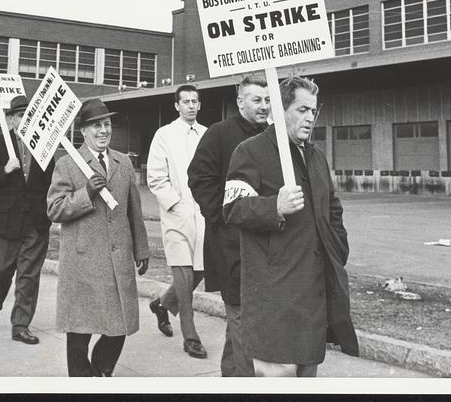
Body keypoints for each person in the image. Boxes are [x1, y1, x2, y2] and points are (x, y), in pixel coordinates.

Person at [222, 76, 358, 376]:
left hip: (312, 297)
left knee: (307, 374)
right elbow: (233, 208)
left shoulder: (316, 156)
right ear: (281, 111)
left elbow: (333, 210)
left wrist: (338, 249)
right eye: (302, 110)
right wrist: (274, 206)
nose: (310, 118)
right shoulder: (250, 151)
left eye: (314, 111)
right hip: (275, 297)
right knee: (276, 376)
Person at [47, 98, 150, 377]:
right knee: (79, 331)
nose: (103, 130)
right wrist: (86, 194)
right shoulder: (68, 164)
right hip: (83, 263)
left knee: (120, 325)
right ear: (83, 131)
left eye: (107, 124)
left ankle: (102, 368)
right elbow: (54, 209)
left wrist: (141, 248)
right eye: (96, 126)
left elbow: (134, 209)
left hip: (117, 260)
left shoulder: (124, 162)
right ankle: (82, 381)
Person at [187, 73, 270, 377]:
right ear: (240, 102)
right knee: (241, 318)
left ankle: (230, 378)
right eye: (256, 99)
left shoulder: (274, 137)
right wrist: (223, 216)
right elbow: (199, 178)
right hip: (230, 245)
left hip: (265, 246)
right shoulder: (218, 134)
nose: (263, 106)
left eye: (267, 100)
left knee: (243, 324)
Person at [0, 96, 55, 344]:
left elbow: (51, 181)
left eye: (30, 116)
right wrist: (5, 170)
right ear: (11, 119)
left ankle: (20, 326)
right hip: (6, 222)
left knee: (29, 276)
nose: (26, 120)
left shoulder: (44, 144)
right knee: (1, 272)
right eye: (21, 116)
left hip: (36, 222)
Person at [146, 84, 208, 359]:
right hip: (176, 214)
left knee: (203, 269)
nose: (191, 106)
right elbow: (155, 178)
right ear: (177, 106)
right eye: (186, 102)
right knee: (183, 274)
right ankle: (190, 336)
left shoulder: (207, 134)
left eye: (195, 101)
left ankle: (162, 305)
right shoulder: (164, 134)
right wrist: (175, 203)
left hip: (203, 213)